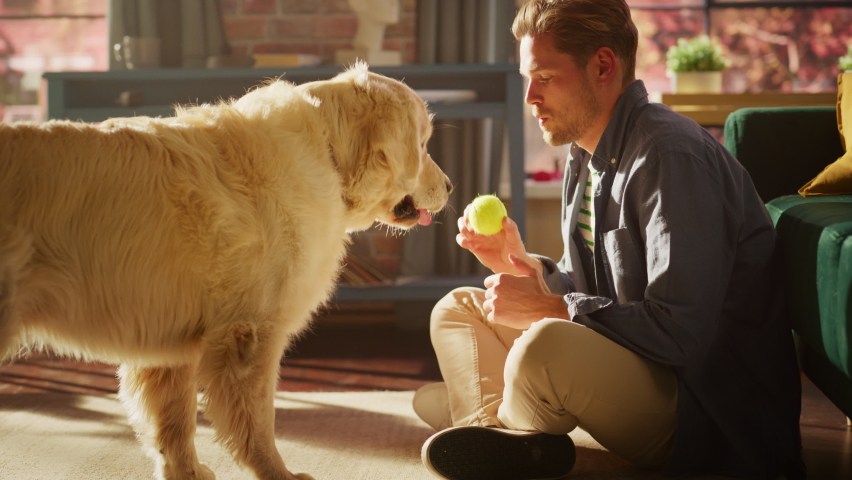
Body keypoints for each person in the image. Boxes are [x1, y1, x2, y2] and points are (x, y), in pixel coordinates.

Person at [414, 1, 806, 479]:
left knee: (545, 346)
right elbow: (590, 289)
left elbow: (679, 333)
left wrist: (549, 309)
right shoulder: (585, 152)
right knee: (458, 308)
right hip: (635, 366)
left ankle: (484, 411)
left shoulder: (670, 157)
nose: (530, 97)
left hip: (704, 412)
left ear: (603, 66)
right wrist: (522, 266)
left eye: (546, 77)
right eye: (527, 79)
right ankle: (496, 434)